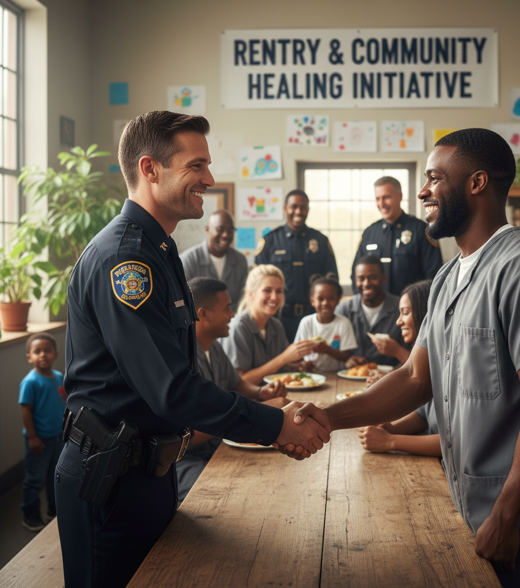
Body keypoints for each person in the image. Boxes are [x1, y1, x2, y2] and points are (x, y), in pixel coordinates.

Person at [294, 128, 520, 587]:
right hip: (473, 510)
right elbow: (416, 379)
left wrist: (506, 514)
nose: (421, 192)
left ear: (477, 183)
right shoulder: (445, 280)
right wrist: (325, 417)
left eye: (434, 178)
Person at [55, 111, 329, 588]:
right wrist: (276, 424)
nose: (210, 178)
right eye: (196, 166)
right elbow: (172, 389)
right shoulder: (127, 260)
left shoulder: (159, 252)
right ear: (150, 169)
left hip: (150, 472)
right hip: (110, 481)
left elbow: (186, 376)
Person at [176, 277, 288, 502]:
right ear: (203, 314)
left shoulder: (213, 346)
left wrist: (260, 392)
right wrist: (259, 409)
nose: (233, 315)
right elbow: (188, 435)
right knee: (233, 495)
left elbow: (235, 383)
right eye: (227, 308)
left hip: (220, 447)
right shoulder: (181, 357)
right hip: (186, 462)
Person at [359, 280, 441, 458]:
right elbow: (423, 416)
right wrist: (392, 428)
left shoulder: (446, 363)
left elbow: (454, 442)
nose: (398, 321)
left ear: (426, 315)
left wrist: (391, 441)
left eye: (405, 313)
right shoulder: (429, 356)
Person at [255, 189, 338, 342]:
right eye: (294, 207)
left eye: (303, 207)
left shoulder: (320, 241)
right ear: (285, 208)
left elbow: (332, 279)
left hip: (313, 317)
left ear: (308, 210)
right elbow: (256, 282)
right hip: (279, 317)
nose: (298, 211)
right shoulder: (270, 241)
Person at [220, 264, 319, 385]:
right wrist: (284, 358)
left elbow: (278, 368)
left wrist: (295, 367)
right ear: (250, 294)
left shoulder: (276, 325)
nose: (274, 297)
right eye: (267, 290)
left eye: (279, 291)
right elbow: (241, 382)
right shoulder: (238, 328)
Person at [351, 176, 442, 296]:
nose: (381, 204)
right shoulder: (369, 234)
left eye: (386, 197)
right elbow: (356, 275)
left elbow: (434, 276)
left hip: (412, 309)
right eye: (378, 199)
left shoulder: (421, 230)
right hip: (377, 310)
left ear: (399, 196)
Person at [19, 333, 65, 532]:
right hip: (39, 440)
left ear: (54, 354)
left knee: (55, 476)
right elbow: (26, 410)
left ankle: (54, 511)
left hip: (59, 437)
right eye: (37, 351)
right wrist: (33, 437)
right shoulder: (30, 382)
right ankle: (31, 515)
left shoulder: (60, 377)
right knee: (35, 479)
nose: (43, 355)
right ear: (29, 357)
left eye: (47, 350)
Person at [336, 255, 407, 368]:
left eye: (372, 277)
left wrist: (396, 350)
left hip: (391, 377)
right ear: (355, 281)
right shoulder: (343, 310)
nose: (366, 283)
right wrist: (346, 361)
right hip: (351, 376)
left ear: (383, 278)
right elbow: (334, 350)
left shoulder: (401, 308)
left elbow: (415, 357)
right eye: (361, 279)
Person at [180, 209, 248, 311]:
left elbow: (242, 301)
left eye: (230, 230)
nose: (226, 235)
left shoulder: (240, 261)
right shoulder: (188, 260)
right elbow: (184, 301)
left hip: (232, 322)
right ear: (208, 229)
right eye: (220, 229)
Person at [293, 273, 358, 372]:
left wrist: (328, 350)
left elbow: (346, 356)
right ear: (312, 301)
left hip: (337, 375)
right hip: (312, 375)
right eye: (320, 299)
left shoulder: (343, 323)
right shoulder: (306, 322)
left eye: (331, 298)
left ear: (338, 300)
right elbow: (297, 353)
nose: (325, 303)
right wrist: (303, 364)